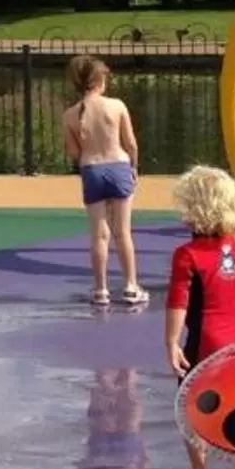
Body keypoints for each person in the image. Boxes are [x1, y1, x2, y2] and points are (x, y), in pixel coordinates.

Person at [165, 166, 235, 469]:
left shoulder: (188, 255)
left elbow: (178, 302)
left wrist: (171, 341)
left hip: (205, 343)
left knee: (189, 404)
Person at [64, 55, 145, 306]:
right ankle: (131, 286)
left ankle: (101, 289)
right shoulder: (116, 105)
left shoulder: (70, 115)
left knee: (99, 235)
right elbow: (130, 143)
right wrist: (134, 168)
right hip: (118, 165)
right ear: (99, 79)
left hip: (92, 170)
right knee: (123, 232)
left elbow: (74, 153)